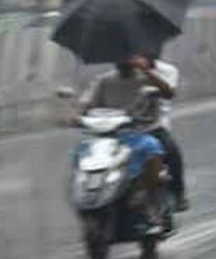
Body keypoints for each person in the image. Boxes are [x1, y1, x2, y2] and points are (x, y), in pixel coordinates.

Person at [76, 53, 189, 214]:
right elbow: (85, 105)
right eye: (119, 58)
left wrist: (147, 71)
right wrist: (75, 116)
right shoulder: (104, 81)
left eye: (128, 58)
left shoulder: (149, 78)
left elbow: (168, 93)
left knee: (169, 151)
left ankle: (170, 195)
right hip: (111, 133)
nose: (123, 62)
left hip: (146, 130)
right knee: (81, 153)